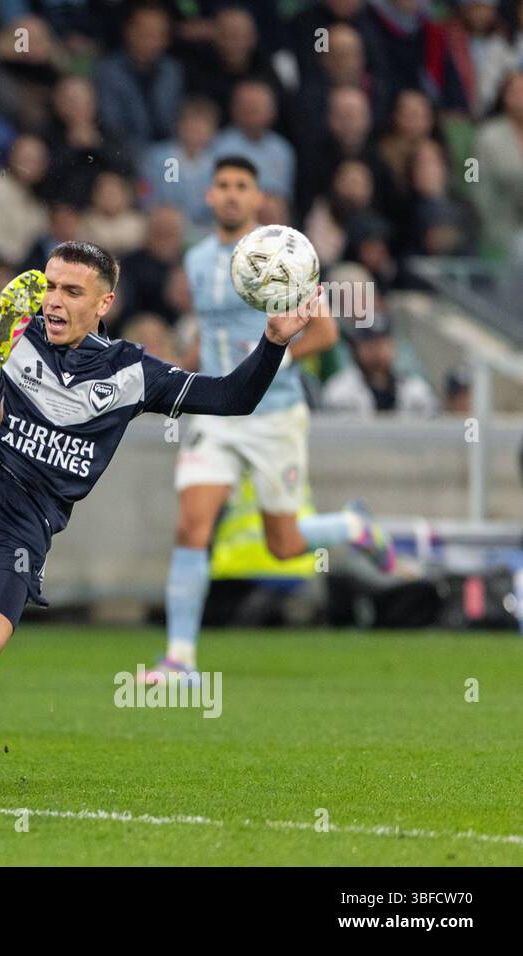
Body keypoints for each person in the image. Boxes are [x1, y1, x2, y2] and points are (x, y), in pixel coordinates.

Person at [0, 204, 315, 795]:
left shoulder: (132, 373)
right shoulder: (20, 325)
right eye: (48, 286)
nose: (53, 300)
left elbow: (230, 397)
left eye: (72, 291)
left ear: (104, 305)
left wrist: (273, 342)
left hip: (15, 526)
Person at [144, 156, 394, 686]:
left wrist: (266, 361)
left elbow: (323, 335)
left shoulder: (285, 256)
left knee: (282, 545)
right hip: (216, 412)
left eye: (243, 186)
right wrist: (176, 375)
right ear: (209, 197)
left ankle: (352, 526)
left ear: (258, 199)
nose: (233, 195)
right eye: (224, 185)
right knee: (192, 525)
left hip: (275, 413)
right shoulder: (196, 261)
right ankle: (179, 661)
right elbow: (205, 335)